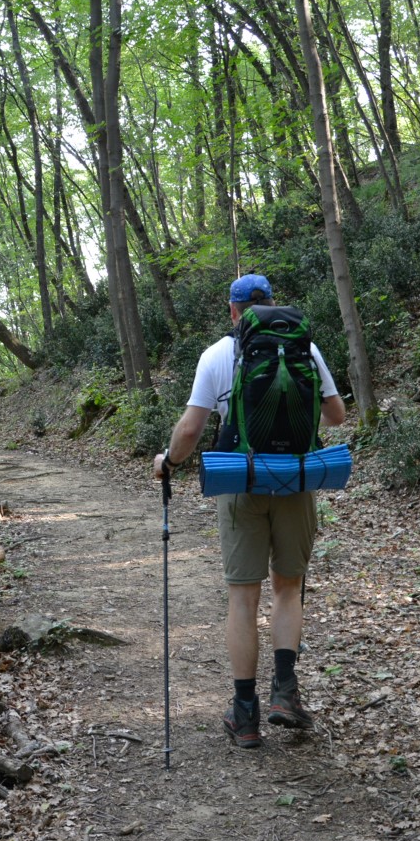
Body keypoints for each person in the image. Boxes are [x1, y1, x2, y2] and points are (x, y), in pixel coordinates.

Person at [153, 273, 347, 749]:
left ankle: (246, 715)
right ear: (273, 304)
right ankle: (285, 693)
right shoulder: (304, 347)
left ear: (233, 310)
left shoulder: (217, 355)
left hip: (241, 480)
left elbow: (192, 429)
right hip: (297, 480)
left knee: (242, 598)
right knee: (288, 588)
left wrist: (168, 463)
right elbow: (337, 415)